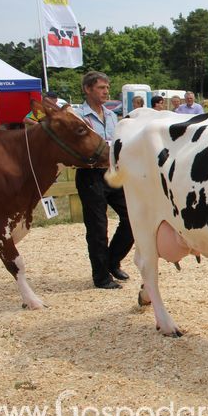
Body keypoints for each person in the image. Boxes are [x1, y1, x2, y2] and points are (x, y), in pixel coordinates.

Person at [75, 71, 134, 290]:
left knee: (131, 218)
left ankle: (112, 261)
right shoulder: (78, 116)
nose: (106, 91)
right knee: (98, 227)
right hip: (90, 174)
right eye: (101, 87)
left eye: (107, 87)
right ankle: (101, 276)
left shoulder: (111, 115)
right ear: (88, 89)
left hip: (112, 172)